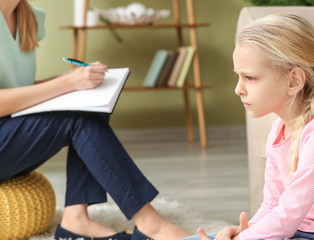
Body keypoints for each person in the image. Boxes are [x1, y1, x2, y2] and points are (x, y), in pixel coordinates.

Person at [0, 1, 191, 240]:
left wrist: (68, 79)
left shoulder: (29, 17)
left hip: (9, 137)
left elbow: (17, 88)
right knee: (76, 118)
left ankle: (76, 219)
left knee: (87, 108)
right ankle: (151, 225)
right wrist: (66, 84)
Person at [183, 13, 314, 240]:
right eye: (238, 76)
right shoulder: (278, 131)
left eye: (250, 77)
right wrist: (247, 230)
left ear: (294, 81)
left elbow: (285, 219)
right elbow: (272, 205)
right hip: (295, 231)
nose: (238, 89)